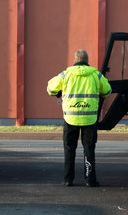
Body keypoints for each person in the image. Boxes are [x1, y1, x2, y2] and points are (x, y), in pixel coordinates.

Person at [47, 49, 112, 187]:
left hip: (70, 118)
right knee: (89, 148)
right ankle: (90, 179)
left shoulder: (66, 75)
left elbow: (51, 89)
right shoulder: (96, 75)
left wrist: (60, 92)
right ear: (87, 61)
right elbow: (107, 91)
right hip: (90, 119)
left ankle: (67, 179)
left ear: (75, 60)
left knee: (69, 148)